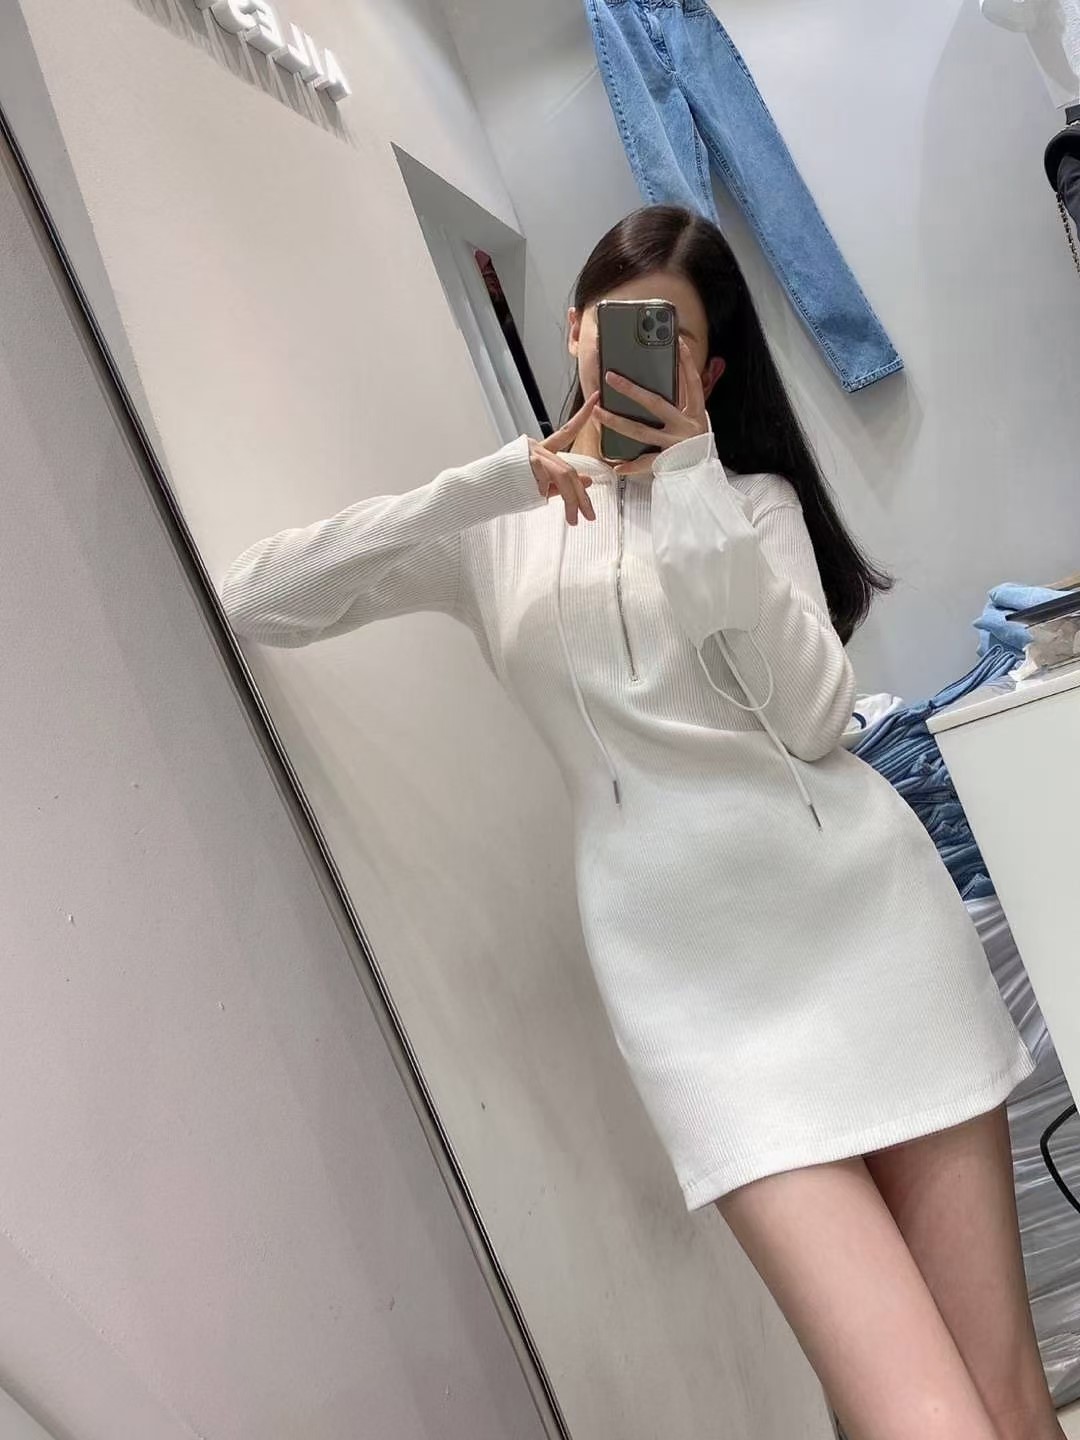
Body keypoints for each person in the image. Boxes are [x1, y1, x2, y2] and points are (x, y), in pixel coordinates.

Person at [221, 205, 1059, 1440]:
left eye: (672, 342)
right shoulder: (498, 530)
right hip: (703, 1014)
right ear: (572, 330)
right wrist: (495, 479)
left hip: (875, 950)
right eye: (616, 331)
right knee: (922, 1419)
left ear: (707, 375)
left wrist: (691, 486)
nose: (635, 360)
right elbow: (256, 599)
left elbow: (812, 717)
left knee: (1007, 1403)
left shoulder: (753, 505)